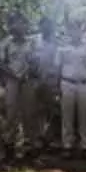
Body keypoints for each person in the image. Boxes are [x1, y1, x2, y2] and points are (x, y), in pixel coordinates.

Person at [0, 14, 33, 160]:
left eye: (23, 24)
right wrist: (12, 74)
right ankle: (8, 144)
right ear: (13, 27)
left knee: (27, 113)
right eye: (17, 24)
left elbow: (33, 60)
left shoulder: (30, 43)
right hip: (11, 81)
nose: (20, 27)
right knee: (11, 113)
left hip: (26, 81)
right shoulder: (5, 43)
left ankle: (26, 145)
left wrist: (25, 73)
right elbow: (1, 63)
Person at [57, 19, 86, 158]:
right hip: (67, 83)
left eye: (77, 29)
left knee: (84, 116)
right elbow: (58, 68)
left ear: (81, 31)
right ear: (69, 32)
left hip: (84, 83)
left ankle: (85, 145)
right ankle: (67, 145)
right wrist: (56, 87)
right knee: (67, 116)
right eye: (72, 29)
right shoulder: (62, 48)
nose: (74, 32)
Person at [29, 17, 61, 152]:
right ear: (39, 26)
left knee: (52, 111)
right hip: (35, 80)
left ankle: (48, 138)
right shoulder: (33, 41)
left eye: (48, 25)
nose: (45, 28)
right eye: (43, 25)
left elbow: (60, 62)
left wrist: (57, 80)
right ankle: (36, 138)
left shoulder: (57, 41)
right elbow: (28, 58)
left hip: (51, 80)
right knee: (35, 110)